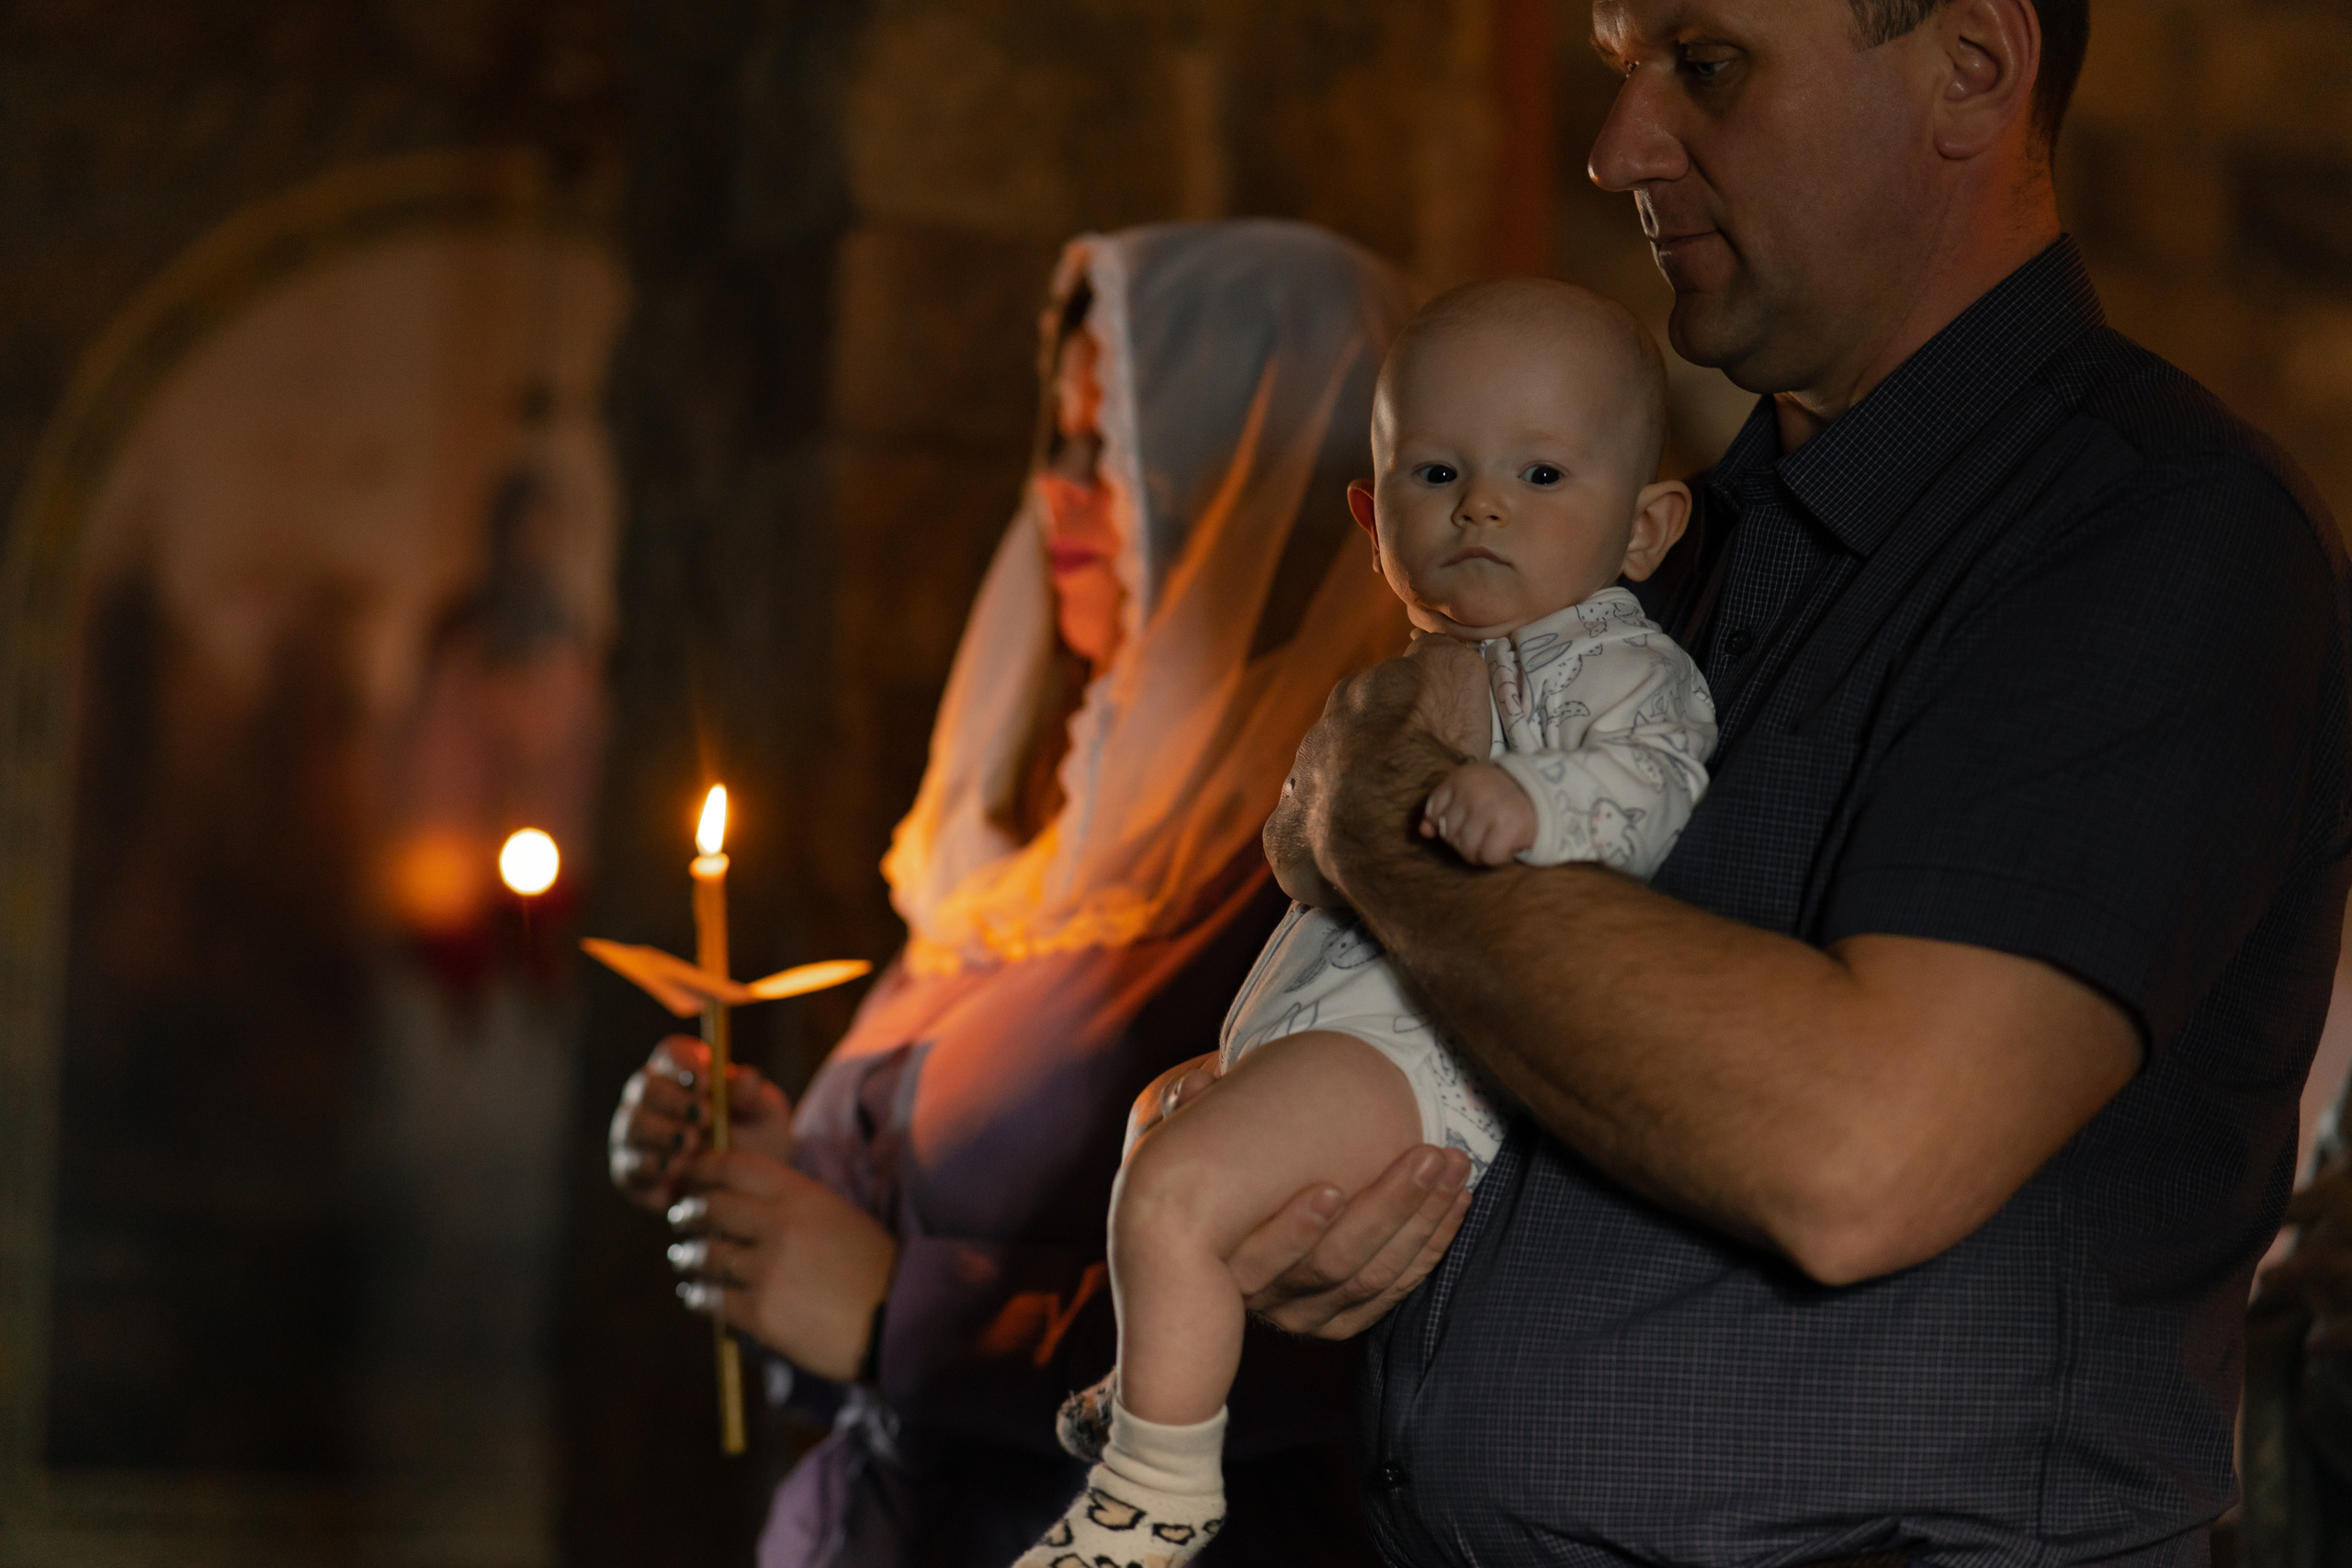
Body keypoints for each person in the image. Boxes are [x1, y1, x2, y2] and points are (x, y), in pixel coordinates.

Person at [1217, 0, 2351, 1563]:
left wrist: (1384, 839)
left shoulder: (2152, 532)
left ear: (1971, 67)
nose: (1619, 148)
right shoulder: (1672, 550)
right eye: (1623, 76)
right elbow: (1558, 1019)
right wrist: (1290, 1144)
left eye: (1708, 63)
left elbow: (1863, 1154)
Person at [605, 220, 1426, 1565]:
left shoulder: (1334, 878)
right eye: (1054, 444)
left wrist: (896, 1315)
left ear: (1259, 465)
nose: (1057, 494)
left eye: (1113, 451)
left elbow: (1343, 1339)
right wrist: (768, 1180)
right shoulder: (1034, 851)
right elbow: (874, 1270)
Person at [1018, 279, 1716, 1565]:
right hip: (1317, 1030)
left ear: (1646, 526)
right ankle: (1163, 1381)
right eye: (1437, 472)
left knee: (1174, 1190)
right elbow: (1302, 848)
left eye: (1543, 472)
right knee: (1159, 1126)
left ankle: (1156, 1488)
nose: (1483, 505)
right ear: (1372, 516)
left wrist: (1534, 798)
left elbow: (1659, 780)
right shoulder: (1387, 683)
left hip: (1423, 1058)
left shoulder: (1615, 665)